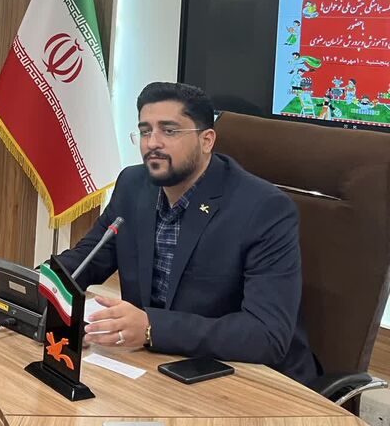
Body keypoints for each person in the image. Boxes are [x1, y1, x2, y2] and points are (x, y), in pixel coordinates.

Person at [55, 81, 318, 384]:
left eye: (169, 131)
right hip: (157, 367)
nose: (152, 143)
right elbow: (86, 260)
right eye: (145, 131)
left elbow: (266, 333)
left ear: (206, 140)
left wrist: (152, 328)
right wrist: (36, 285)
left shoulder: (265, 209)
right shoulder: (133, 185)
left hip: (247, 380)